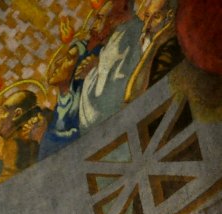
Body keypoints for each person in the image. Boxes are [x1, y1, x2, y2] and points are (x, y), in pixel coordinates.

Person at [79, 1, 143, 129]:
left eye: (100, 18)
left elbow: (112, 93)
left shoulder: (131, 34)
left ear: (121, 6)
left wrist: (91, 74)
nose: (93, 27)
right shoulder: (117, 36)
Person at [40, 41, 89, 160]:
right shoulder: (58, 107)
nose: (58, 62)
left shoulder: (81, 97)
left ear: (77, 67)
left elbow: (82, 133)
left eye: (69, 58)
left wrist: (46, 136)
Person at [125, 0, 182, 102]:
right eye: (147, 15)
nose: (147, 25)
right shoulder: (144, 39)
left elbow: (132, 96)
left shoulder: (170, 49)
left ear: (170, 17)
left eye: (156, 17)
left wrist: (156, 41)